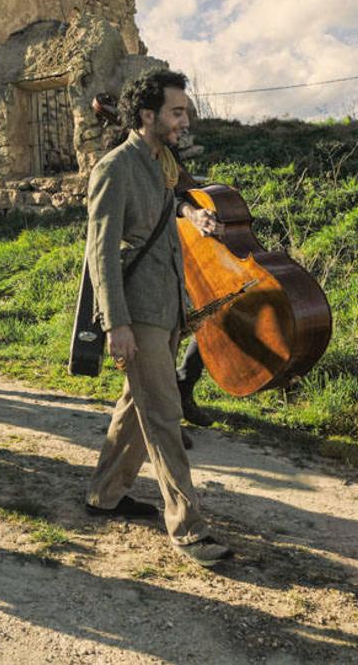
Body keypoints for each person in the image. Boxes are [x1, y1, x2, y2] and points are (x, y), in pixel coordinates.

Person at [83, 68, 232, 567]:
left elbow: (162, 210)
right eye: (177, 111)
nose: (184, 118)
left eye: (184, 110)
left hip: (166, 305)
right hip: (137, 312)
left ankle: (104, 494)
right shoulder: (115, 168)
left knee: (137, 405)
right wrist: (115, 323)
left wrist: (192, 214)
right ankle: (188, 527)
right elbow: (100, 253)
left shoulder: (160, 163)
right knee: (165, 416)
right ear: (147, 115)